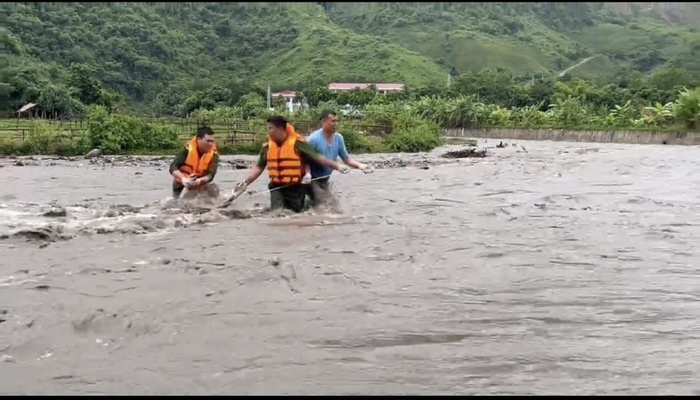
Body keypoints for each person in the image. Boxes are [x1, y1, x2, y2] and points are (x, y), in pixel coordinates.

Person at [234, 115, 350, 213]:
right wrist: (245, 183)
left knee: (295, 213)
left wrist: (337, 166)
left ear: (280, 129)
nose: (268, 132)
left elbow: (318, 158)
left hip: (297, 187)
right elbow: (259, 167)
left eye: (271, 128)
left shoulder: (298, 144)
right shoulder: (268, 147)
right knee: (277, 213)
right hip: (276, 186)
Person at [305, 110, 373, 206]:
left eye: (337, 121)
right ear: (323, 121)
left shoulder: (339, 138)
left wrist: (360, 166)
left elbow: (347, 160)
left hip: (325, 179)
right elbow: (304, 159)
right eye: (333, 121)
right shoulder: (313, 139)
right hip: (312, 179)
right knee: (324, 204)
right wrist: (307, 173)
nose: (336, 124)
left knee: (330, 203)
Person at [169, 126, 220, 200]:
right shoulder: (187, 150)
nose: (210, 144)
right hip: (183, 182)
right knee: (177, 204)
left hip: (200, 183)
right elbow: (173, 166)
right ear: (199, 139)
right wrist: (183, 179)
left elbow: (211, 175)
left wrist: (199, 181)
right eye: (208, 141)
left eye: (212, 141)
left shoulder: (214, 155)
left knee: (214, 188)